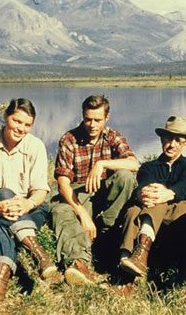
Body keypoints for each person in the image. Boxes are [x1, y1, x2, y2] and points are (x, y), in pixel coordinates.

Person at [0, 98, 56, 308]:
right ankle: (37, 251)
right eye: (17, 121)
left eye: (27, 125)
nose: (21, 128)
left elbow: (40, 190)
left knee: (5, 223)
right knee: (3, 194)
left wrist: (26, 205)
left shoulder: (35, 146)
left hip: (30, 209)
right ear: (6, 117)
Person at [51, 94, 139, 285]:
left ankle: (108, 234)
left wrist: (102, 164)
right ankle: (79, 263)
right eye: (88, 119)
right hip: (79, 191)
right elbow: (63, 184)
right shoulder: (69, 139)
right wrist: (83, 215)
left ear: (106, 118)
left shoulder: (113, 136)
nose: (92, 125)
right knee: (62, 211)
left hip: (107, 192)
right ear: (82, 116)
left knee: (125, 176)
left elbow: (134, 163)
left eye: (97, 120)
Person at [115, 116, 186, 296]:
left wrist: (167, 193)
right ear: (162, 140)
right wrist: (143, 193)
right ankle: (126, 265)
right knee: (132, 211)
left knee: (157, 202)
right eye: (168, 139)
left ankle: (140, 254)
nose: (172, 144)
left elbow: (185, 187)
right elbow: (144, 185)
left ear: (185, 144)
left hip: (181, 209)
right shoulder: (149, 166)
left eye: (178, 140)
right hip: (151, 207)